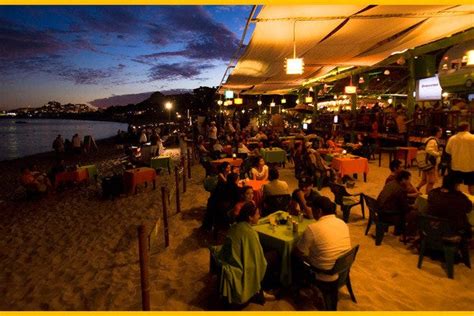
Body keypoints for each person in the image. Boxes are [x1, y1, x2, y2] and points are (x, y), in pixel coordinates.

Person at [215, 202, 273, 305]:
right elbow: (258, 259)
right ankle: (259, 290)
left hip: (230, 260)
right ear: (250, 217)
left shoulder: (235, 226)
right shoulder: (250, 233)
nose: (259, 216)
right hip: (239, 266)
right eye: (257, 214)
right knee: (272, 257)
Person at [294, 196, 351, 284]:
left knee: (293, 256)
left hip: (323, 271)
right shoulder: (342, 223)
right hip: (342, 267)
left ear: (319, 211)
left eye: (312, 209)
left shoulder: (312, 228)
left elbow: (298, 252)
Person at [428, 174, 472, 240]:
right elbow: (469, 208)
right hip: (452, 230)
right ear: (455, 185)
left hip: (433, 228)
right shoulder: (458, 198)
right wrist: (459, 193)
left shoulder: (433, 193)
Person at [377, 170, 413, 236]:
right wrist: (412, 206)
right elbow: (404, 208)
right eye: (409, 180)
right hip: (388, 214)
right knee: (414, 214)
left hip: (379, 210)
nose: (409, 182)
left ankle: (398, 230)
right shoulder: (401, 189)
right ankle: (406, 234)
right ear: (403, 180)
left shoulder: (390, 183)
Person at [445, 122, 474, 195]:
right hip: (471, 166)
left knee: (456, 185)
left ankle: (457, 201)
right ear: (467, 128)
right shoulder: (473, 138)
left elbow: (447, 151)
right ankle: (472, 202)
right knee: (471, 186)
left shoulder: (452, 138)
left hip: (456, 165)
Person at [416, 126, 442, 194]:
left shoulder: (427, 139)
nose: (441, 133)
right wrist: (438, 154)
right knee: (431, 182)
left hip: (425, 162)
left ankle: (416, 188)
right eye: (440, 131)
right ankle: (428, 195)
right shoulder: (433, 140)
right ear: (437, 132)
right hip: (429, 163)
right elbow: (429, 150)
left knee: (424, 180)